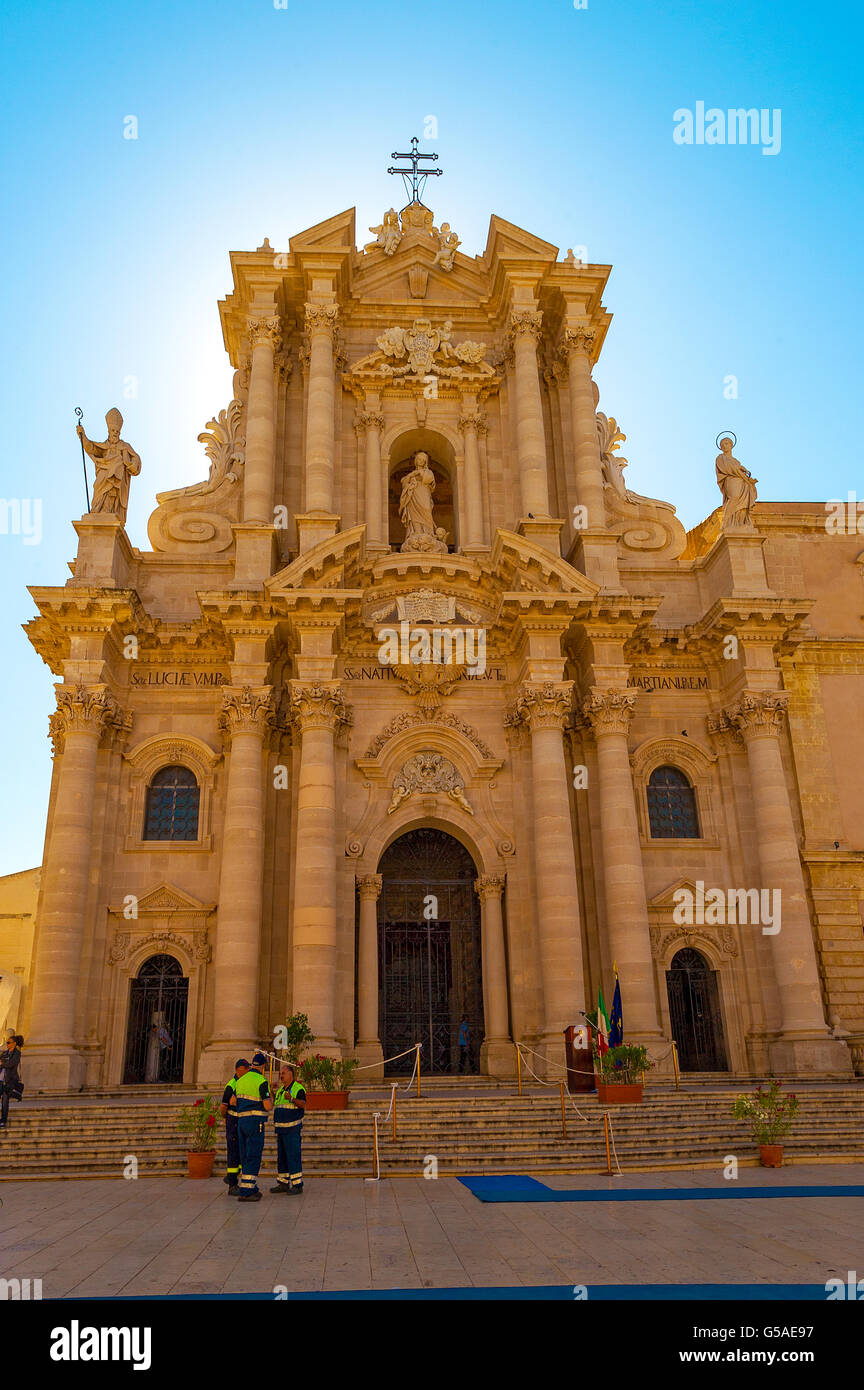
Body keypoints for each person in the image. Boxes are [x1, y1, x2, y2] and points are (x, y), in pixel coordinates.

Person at [230, 1052, 272, 1202]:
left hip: (241, 1122)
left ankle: (248, 1185)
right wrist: (269, 1099)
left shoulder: (240, 1080)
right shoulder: (261, 1081)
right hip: (255, 1122)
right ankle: (247, 1190)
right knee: (254, 1154)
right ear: (263, 1066)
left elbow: (232, 1101)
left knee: (245, 1154)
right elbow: (267, 1106)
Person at [270, 1065, 307, 1195]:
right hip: (280, 1129)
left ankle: (297, 1185)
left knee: (293, 1156)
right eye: (280, 1073)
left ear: (291, 1074)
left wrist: (291, 1098)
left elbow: (303, 1104)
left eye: (284, 1073)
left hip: (292, 1129)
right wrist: (271, 1091)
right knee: (282, 1157)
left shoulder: (298, 1088)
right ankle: (283, 1183)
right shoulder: (281, 1090)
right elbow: (275, 1103)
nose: (281, 1076)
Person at [219, 1059, 248, 1195]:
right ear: (238, 1070)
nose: (248, 1070)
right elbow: (223, 1106)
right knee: (233, 1152)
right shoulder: (231, 1085)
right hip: (233, 1120)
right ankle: (232, 1184)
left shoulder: (243, 1083)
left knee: (240, 1152)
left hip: (241, 1120)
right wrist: (226, 1117)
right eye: (245, 1068)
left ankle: (233, 1177)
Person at [0, 1034, 22, 1128]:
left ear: (14, 1043)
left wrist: (2, 1063)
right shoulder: (5, 1053)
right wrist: (4, 1063)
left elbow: (11, 1064)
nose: (7, 1044)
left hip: (10, 1081)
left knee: (5, 1100)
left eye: (8, 1042)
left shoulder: (17, 1053)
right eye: (7, 1042)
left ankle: (3, 1120)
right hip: (1, 1079)